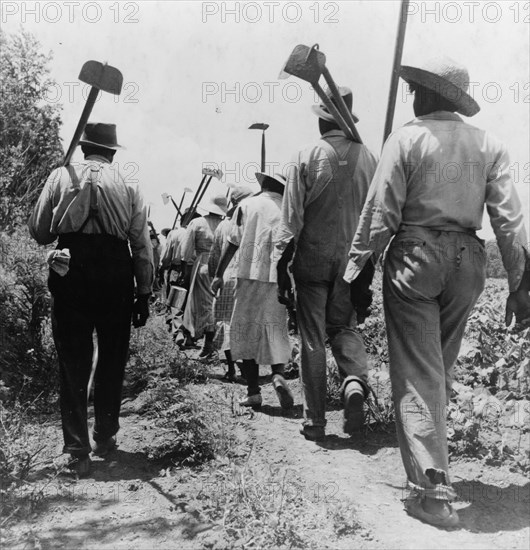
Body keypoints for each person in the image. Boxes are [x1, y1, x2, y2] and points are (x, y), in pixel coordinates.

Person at [344, 56, 530, 528]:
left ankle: (432, 492)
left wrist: (356, 275)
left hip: (415, 256)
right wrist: (520, 283)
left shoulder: (405, 138)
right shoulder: (488, 143)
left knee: (417, 374)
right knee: (438, 368)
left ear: (428, 94)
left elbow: (380, 213)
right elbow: (510, 221)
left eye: (416, 90)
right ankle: (433, 460)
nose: (411, 97)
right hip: (469, 260)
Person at [28, 122, 153, 476]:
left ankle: (76, 451)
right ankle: (106, 435)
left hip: (71, 268)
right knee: (113, 356)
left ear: (83, 148)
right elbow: (141, 244)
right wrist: (143, 292)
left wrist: (66, 200)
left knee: (73, 360)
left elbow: (39, 232)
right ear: (112, 153)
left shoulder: (60, 175)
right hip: (116, 271)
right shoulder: (129, 182)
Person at [275, 87, 377, 441]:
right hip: (352, 263)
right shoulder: (370, 159)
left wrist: (280, 265)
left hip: (311, 261)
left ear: (321, 120)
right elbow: (376, 219)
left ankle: (315, 421)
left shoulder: (304, 155)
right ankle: (352, 381)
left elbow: (290, 221)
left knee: (312, 339)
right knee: (345, 329)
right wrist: (368, 267)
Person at [212, 173, 294, 409]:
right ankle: (278, 374)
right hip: (278, 278)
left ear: (264, 185)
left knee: (245, 332)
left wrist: (219, 274)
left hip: (248, 275)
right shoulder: (288, 209)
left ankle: (253, 391)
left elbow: (233, 241)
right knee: (276, 330)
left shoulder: (246, 205)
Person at [208, 186, 255, 380]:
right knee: (245, 324)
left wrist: (215, 276)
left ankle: (231, 368)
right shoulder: (252, 220)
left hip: (227, 276)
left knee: (225, 323)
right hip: (248, 275)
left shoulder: (223, 226)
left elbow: (215, 255)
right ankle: (248, 368)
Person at [181, 195, 228, 357]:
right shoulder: (226, 224)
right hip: (222, 266)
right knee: (216, 304)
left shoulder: (197, 223)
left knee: (203, 305)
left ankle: (206, 343)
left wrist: (184, 267)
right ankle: (209, 341)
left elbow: (185, 251)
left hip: (203, 264)